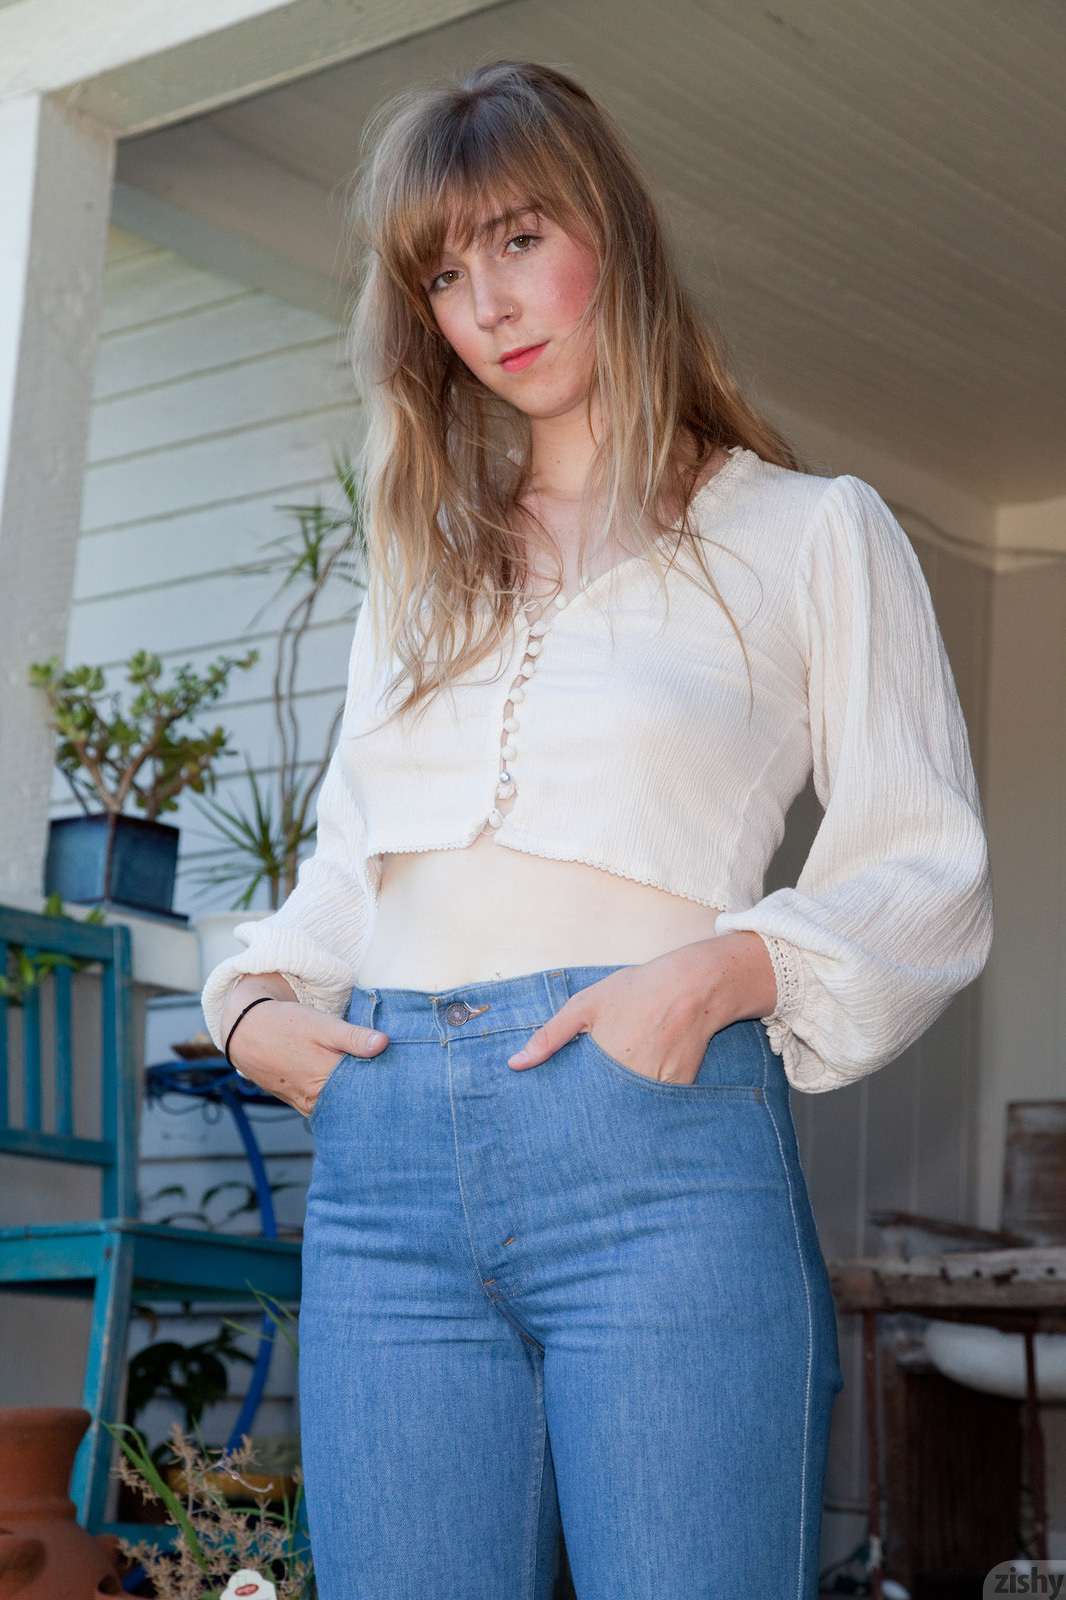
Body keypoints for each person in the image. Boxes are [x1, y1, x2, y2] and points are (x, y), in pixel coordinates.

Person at [199, 59, 994, 1600]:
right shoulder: (418, 566)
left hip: (655, 1144)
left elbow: (923, 863)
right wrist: (250, 1010)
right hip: (382, 1168)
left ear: (610, 234)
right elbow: (351, 867)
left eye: (517, 240)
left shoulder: (806, 531)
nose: (488, 305)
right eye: (444, 275)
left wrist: (713, 978)